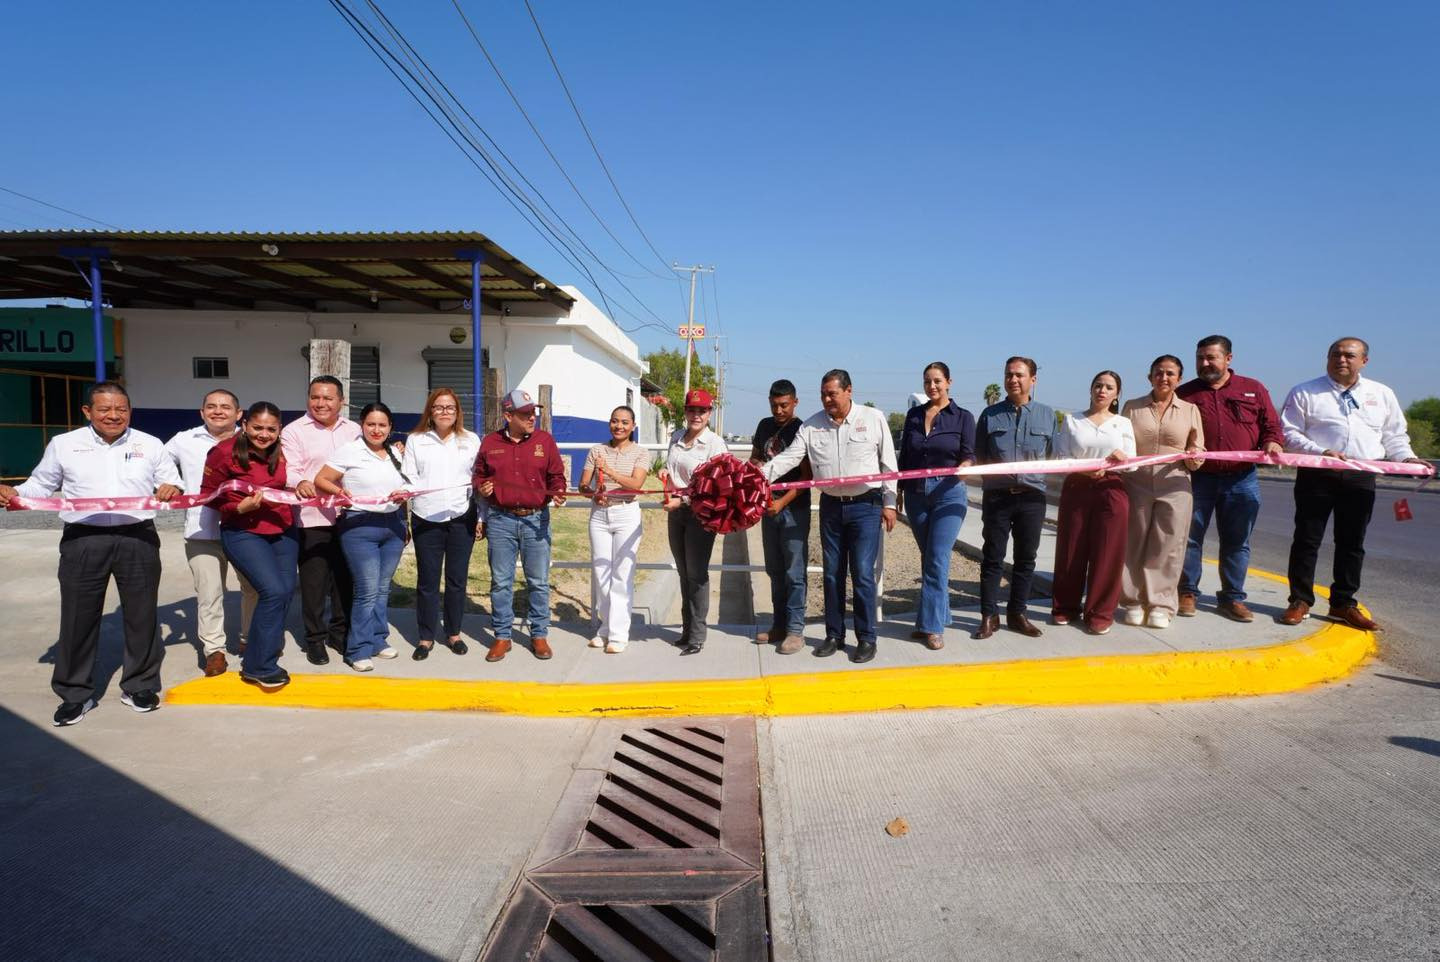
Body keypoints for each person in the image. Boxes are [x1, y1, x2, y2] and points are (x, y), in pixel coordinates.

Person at [0, 381, 181, 725]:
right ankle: (75, 694)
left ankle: (140, 686)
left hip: (138, 537)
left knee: (142, 617)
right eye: (105, 409)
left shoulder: (150, 443)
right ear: (87, 411)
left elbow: (170, 481)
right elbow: (41, 484)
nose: (114, 415)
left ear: (130, 411)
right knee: (77, 618)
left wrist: (171, 488)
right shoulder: (64, 444)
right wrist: (16, 493)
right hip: (84, 539)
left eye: (121, 409)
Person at [1278, 337, 1428, 630]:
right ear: (1327, 358)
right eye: (1335, 354)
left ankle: (1343, 603)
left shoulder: (1381, 394)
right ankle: (1300, 600)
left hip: (1361, 476)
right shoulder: (1305, 392)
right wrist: (1321, 451)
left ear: (1364, 361)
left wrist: (1407, 458)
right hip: (1317, 473)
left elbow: (1394, 435)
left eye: (1349, 355)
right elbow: (1289, 434)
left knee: (1352, 542)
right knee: (1307, 539)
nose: (1341, 360)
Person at [762, 371, 898, 664]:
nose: (826, 400)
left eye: (832, 394)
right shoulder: (811, 426)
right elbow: (789, 458)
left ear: (849, 391)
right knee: (832, 573)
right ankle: (834, 635)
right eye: (823, 394)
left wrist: (890, 503)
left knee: (862, 573)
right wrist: (755, 478)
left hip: (866, 506)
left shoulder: (873, 418)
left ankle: (866, 638)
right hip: (831, 507)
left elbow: (889, 464)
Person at [1176, 335, 1284, 622]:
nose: (1204, 363)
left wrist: (1273, 442)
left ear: (1228, 358)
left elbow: (1271, 425)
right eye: (1200, 358)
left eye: (1211, 357)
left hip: (1241, 480)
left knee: (1237, 541)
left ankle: (1232, 598)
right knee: (1189, 539)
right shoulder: (1184, 394)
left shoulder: (1253, 389)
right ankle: (1187, 592)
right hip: (1198, 478)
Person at [200, 401, 298, 691]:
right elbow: (207, 495)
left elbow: (292, 479)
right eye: (257, 428)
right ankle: (259, 666)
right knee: (273, 591)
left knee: (285, 593)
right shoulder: (223, 452)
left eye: (271, 429)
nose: (264, 434)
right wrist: (236, 507)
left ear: (279, 430)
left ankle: (260, 654)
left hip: (282, 528)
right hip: (243, 530)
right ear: (244, 425)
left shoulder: (283, 452)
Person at [164, 388, 258, 676]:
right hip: (202, 530)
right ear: (202, 412)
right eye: (212, 406)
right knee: (209, 593)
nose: (218, 411)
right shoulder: (184, 440)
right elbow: (158, 464)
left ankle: (250, 639)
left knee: (253, 588)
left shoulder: (253, 439)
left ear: (238, 414)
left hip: (246, 528)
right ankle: (214, 650)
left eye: (225, 407)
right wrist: (172, 483)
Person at [473, 389, 567, 662]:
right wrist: (483, 486)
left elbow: (557, 476)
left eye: (533, 412)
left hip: (535, 520)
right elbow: (478, 476)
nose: (531, 417)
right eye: (525, 413)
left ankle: (539, 634)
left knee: (538, 582)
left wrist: (558, 491)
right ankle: (503, 636)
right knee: (501, 582)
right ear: (508, 415)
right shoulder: (490, 442)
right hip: (500, 520)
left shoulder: (545, 441)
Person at [315, 402, 410, 672]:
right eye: (371, 424)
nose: (376, 430)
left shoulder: (395, 453)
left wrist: (404, 504)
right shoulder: (350, 450)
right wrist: (340, 493)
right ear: (362, 425)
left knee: (382, 588)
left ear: (390, 427)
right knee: (367, 590)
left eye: (382, 425)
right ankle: (357, 649)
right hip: (359, 526)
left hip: (393, 525)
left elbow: (405, 486)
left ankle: (378, 639)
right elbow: (321, 479)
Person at [972, 357, 1057, 640]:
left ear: (1033, 379)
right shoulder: (990, 415)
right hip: (997, 498)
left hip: (1032, 499)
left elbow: (1052, 456)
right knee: (992, 557)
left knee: (1025, 558)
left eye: (1019, 375)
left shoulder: (1047, 415)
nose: (1013, 380)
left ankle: (1017, 613)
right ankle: (988, 615)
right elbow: (980, 455)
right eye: (1009, 375)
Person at [1118, 355, 1206, 629]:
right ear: (1150, 377)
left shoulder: (1190, 410)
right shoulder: (1132, 407)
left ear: (1179, 379)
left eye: (1170, 373)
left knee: (1168, 545)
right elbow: (1119, 440)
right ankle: (1132, 600)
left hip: (1175, 484)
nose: (1164, 378)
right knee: (1133, 542)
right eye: (1158, 372)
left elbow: (1198, 447)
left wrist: (1195, 456)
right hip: (1136, 482)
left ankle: (1161, 604)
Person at [281, 375, 361, 664]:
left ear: (341, 401)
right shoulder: (293, 431)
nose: (320, 403)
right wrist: (300, 481)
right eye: (315, 397)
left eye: (328, 398)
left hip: (349, 516)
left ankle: (339, 633)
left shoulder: (354, 430)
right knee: (314, 582)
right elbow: (289, 468)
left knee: (344, 578)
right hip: (312, 517)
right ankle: (314, 639)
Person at [1051, 371, 1137, 634]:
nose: (1102, 390)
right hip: (1077, 486)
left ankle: (1100, 612)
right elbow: (1060, 457)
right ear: (1090, 389)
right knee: (1071, 548)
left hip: (1111, 488)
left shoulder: (1123, 423)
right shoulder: (1072, 420)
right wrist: (1084, 469)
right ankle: (1066, 606)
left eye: (1109, 387)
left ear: (1116, 395)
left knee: (1108, 551)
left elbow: (1133, 463)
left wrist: (1122, 459)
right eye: (1098, 385)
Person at [897, 362, 976, 649]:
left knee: (937, 557)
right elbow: (906, 456)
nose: (932, 386)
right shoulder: (914, 415)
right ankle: (938, 615)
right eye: (927, 381)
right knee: (928, 557)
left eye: (938, 381)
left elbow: (969, 453)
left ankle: (931, 627)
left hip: (949, 493)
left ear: (949, 382)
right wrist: (899, 490)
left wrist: (966, 465)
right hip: (916, 493)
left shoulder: (963, 417)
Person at [402, 387, 481, 661]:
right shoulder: (416, 440)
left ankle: (453, 633)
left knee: (457, 579)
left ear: (457, 412)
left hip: (462, 517)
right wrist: (406, 493)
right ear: (430, 411)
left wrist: (481, 517)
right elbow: (409, 477)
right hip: (427, 518)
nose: (444, 412)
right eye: (438, 407)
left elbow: (478, 480)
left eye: (450, 407)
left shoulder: (471, 440)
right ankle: (425, 637)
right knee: (428, 581)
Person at [659, 389, 729, 656]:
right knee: (683, 572)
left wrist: (684, 500)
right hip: (676, 512)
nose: (696, 415)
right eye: (692, 410)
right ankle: (686, 630)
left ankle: (697, 636)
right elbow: (672, 469)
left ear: (710, 413)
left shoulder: (715, 444)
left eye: (702, 410)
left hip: (700, 514)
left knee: (697, 574)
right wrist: (665, 473)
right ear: (685, 411)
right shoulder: (676, 437)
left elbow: (716, 487)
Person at [578, 405, 650, 653]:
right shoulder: (596, 450)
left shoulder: (641, 453)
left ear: (633, 426)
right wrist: (592, 493)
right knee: (601, 573)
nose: (619, 426)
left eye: (624, 422)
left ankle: (619, 635)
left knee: (622, 573)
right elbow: (583, 484)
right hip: (599, 514)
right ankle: (605, 628)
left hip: (626, 513)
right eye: (614, 421)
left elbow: (636, 484)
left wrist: (609, 471)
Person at [749, 380, 812, 655]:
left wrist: (782, 502)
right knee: (774, 570)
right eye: (774, 405)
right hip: (767, 509)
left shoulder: (802, 430)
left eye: (784, 405)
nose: (779, 410)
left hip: (793, 510)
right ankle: (778, 625)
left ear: (795, 402)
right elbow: (755, 458)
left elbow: (807, 477)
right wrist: (754, 466)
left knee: (794, 572)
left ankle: (795, 631)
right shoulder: (764, 426)